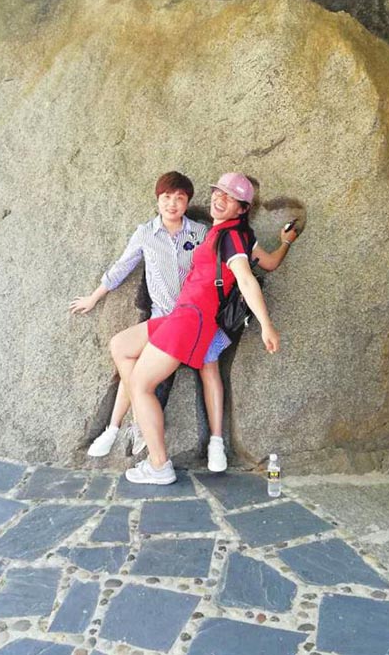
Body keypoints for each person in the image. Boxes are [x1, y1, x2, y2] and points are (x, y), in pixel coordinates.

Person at [107, 172, 298, 485]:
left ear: (242, 209)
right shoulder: (235, 234)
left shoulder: (231, 238)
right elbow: (270, 263)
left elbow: (246, 279)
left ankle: (158, 464)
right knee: (120, 345)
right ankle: (144, 420)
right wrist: (286, 241)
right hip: (181, 316)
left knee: (140, 386)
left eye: (230, 198)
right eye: (218, 192)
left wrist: (266, 325)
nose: (220, 199)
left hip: (190, 320)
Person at [69, 171, 233, 471]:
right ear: (158, 199)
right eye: (166, 197)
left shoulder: (200, 232)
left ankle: (216, 443)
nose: (172, 204)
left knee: (209, 366)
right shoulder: (145, 233)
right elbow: (122, 266)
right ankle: (119, 427)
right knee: (128, 358)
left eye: (180, 198)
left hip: (194, 319)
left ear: (187, 202)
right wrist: (94, 297)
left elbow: (231, 259)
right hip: (162, 319)